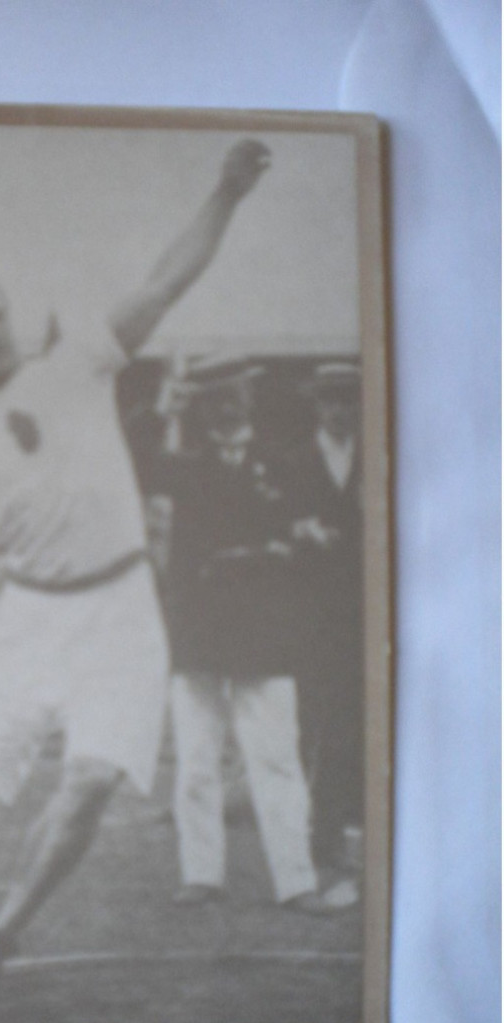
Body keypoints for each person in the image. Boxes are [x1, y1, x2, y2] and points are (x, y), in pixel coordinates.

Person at [0, 139, 272, 982]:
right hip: (28, 615)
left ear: (10, 315)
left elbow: (166, 280)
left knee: (89, 783)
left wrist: (226, 193)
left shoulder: (77, 359)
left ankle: (4, 931)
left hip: (120, 607)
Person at [150, 373, 351, 914]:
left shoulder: (286, 462)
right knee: (195, 758)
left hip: (266, 629)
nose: (227, 407)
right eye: (215, 398)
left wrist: (297, 544)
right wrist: (164, 406)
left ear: (251, 399)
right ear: (204, 407)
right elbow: (138, 461)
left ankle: (297, 882)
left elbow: (323, 534)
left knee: (277, 759)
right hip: (200, 629)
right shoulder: (187, 464)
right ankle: (201, 875)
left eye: (235, 395)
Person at [289, 361, 364, 872]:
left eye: (350, 397)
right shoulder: (291, 460)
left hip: (362, 610)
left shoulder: (382, 452)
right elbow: (268, 518)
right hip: (307, 611)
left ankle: (333, 831)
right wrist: (300, 529)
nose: (341, 407)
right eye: (331, 398)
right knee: (307, 721)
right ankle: (302, 828)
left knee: (349, 720)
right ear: (315, 403)